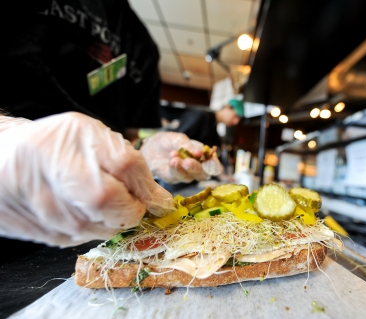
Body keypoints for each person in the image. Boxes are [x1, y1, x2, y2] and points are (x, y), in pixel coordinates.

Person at [0, 1, 222, 248]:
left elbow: (128, 134)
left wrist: (143, 150)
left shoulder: (139, 43)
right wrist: (6, 143)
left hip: (103, 227)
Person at [159, 99, 244, 192]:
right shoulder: (201, 115)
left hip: (191, 179)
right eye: (236, 116)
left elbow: (213, 159)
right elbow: (176, 139)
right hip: (175, 177)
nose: (236, 122)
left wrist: (223, 176)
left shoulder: (214, 131)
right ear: (227, 107)